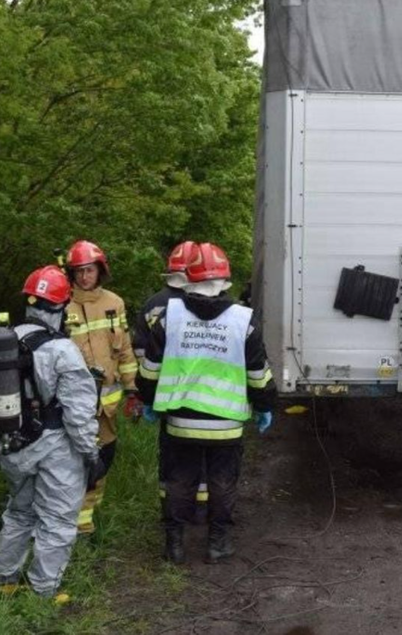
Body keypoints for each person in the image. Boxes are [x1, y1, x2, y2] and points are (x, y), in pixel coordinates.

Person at [135, 242, 276, 564]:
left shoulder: (168, 318)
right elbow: (258, 374)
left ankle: (174, 545)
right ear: (225, 282)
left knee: (178, 480)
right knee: (223, 482)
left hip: (180, 421)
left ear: (189, 279)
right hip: (226, 424)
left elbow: (150, 370)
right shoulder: (245, 321)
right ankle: (218, 543)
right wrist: (266, 406)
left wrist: (148, 401)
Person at [0, 266, 99, 602]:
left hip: (12, 444)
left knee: (19, 511)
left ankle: (4, 579)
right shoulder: (62, 350)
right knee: (56, 520)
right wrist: (90, 454)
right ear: (62, 306)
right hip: (56, 447)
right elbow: (79, 413)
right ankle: (42, 593)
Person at [63, 240, 137, 534]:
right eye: (79, 271)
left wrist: (132, 388)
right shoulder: (61, 303)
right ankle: (80, 524)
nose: (84, 277)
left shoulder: (114, 303)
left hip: (108, 403)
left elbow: (125, 349)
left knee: (105, 454)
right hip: (74, 403)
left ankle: (93, 509)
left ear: (100, 270)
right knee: (78, 459)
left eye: (89, 270)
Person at [130, 241, 210, 515]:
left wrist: (148, 394)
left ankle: (170, 509)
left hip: (164, 393)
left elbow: (141, 350)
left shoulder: (153, 304)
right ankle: (200, 508)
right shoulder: (204, 304)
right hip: (201, 392)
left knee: (171, 453)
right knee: (202, 451)